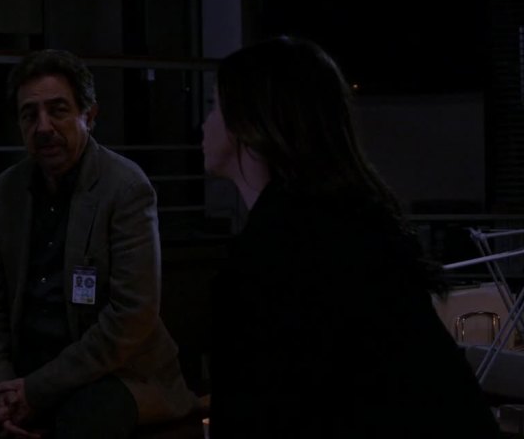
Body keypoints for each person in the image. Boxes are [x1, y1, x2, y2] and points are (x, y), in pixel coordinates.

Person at [201, 36, 500, 438]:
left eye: (215, 106)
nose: (205, 122)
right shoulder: (358, 227)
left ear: (249, 124)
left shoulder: (274, 257)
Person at [0, 49, 199, 438]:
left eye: (58, 110)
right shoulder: (8, 190)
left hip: (117, 371)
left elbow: (132, 315)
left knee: (82, 421)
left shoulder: (124, 188)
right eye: (29, 115)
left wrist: (38, 389)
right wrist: (2, 388)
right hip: (28, 371)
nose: (43, 127)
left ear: (89, 116)